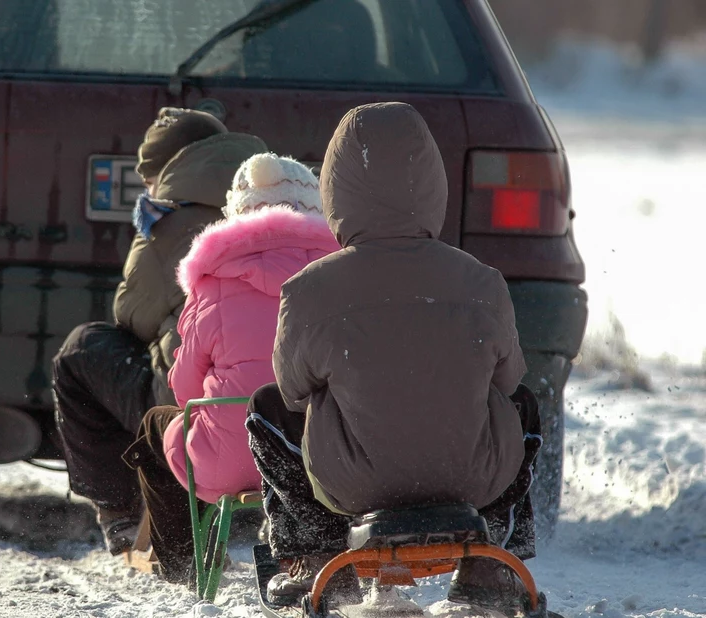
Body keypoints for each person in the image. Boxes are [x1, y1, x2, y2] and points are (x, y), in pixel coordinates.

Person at [245, 102, 543, 611]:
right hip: (469, 476)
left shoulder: (309, 291)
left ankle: (315, 556)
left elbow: (293, 391)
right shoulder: (481, 281)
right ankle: (491, 561)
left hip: (354, 483)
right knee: (525, 407)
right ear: (431, 183)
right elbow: (509, 378)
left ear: (335, 187)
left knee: (266, 409)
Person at [52, 108, 268, 556]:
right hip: (290, 419)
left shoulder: (170, 219)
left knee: (82, 351)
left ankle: (120, 512)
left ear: (165, 170)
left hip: (205, 417)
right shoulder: (286, 212)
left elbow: (132, 313)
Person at [122, 154, 340, 582]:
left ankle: (183, 563)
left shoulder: (213, 280)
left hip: (235, 457)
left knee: (159, 427)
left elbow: (185, 391)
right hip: (326, 456)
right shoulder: (340, 272)